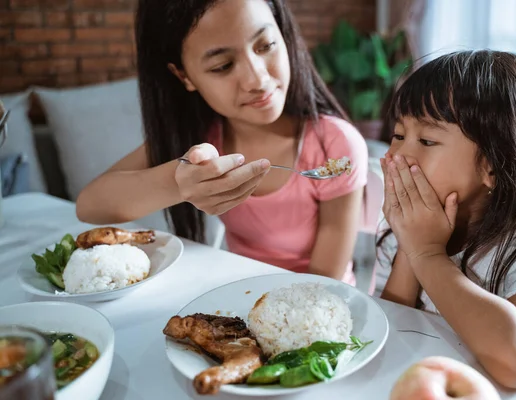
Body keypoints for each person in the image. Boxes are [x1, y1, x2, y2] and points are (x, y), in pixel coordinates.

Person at [75, 0, 368, 285]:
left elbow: (324, 283)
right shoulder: (200, 138)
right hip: (242, 295)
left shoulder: (334, 144)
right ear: (183, 75)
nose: (257, 79)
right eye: (223, 65)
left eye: (265, 46)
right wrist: (180, 183)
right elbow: (89, 206)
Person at [377, 50, 516, 389]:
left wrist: (426, 253)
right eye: (398, 135)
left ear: (492, 165)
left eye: (427, 140)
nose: (398, 155)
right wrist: (410, 247)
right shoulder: (398, 234)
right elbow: (390, 329)